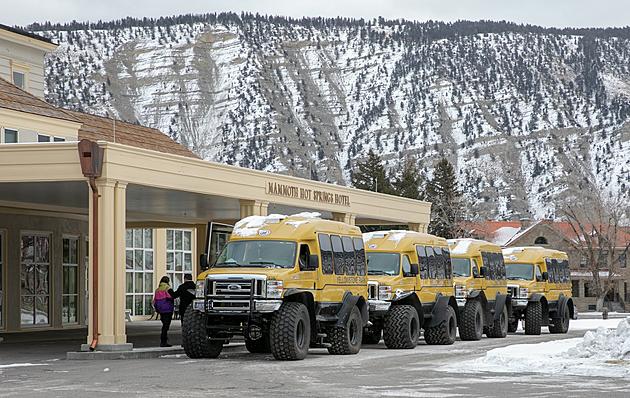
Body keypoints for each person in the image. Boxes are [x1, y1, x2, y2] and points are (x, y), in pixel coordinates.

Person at [153, 276, 175, 347]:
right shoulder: (168, 288)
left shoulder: (157, 290)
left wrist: (157, 309)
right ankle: (163, 341)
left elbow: (155, 300)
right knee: (166, 326)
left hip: (160, 310)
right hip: (168, 309)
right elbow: (172, 297)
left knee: (164, 325)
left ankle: (164, 339)